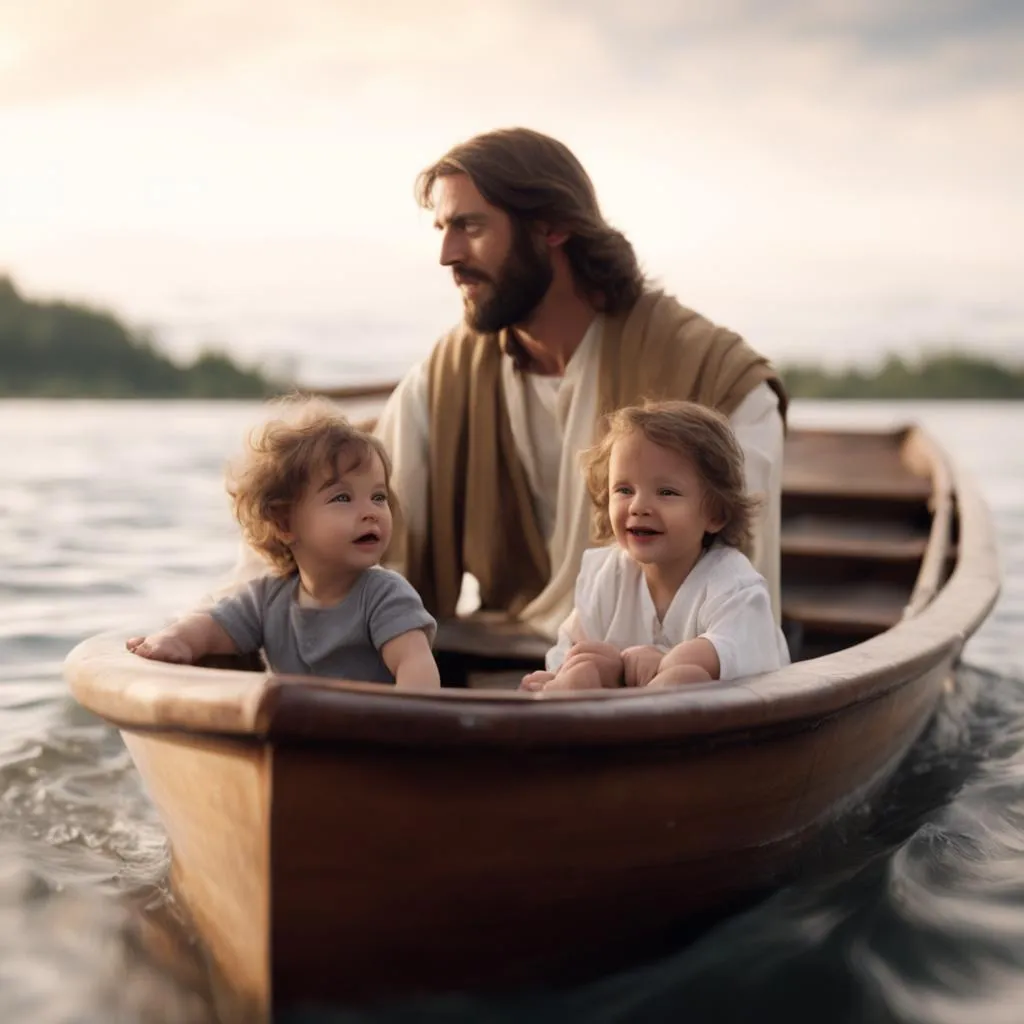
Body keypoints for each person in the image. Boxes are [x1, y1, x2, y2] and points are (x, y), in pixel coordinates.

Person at [375, 127, 788, 640]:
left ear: (552, 228)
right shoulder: (450, 374)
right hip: (514, 665)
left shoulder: (716, 376)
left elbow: (743, 584)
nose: (448, 254)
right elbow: (360, 506)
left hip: (668, 675)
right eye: (442, 227)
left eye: (470, 226)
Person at [128, 398, 440, 690]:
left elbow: (415, 664)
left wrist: (405, 734)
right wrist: (174, 640)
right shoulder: (267, 598)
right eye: (343, 497)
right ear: (284, 524)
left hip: (372, 739)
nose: (371, 512)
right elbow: (210, 627)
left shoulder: (384, 595)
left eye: (378, 496)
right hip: (300, 733)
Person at [521, 401, 790, 692]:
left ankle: (635, 722)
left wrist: (662, 662)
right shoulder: (608, 576)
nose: (639, 506)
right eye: (624, 490)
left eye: (666, 492)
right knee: (584, 666)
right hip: (618, 716)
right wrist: (560, 672)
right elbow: (569, 644)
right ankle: (560, 727)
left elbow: (733, 649)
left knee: (685, 677)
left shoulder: (733, 584)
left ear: (715, 514)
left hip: (726, 723)